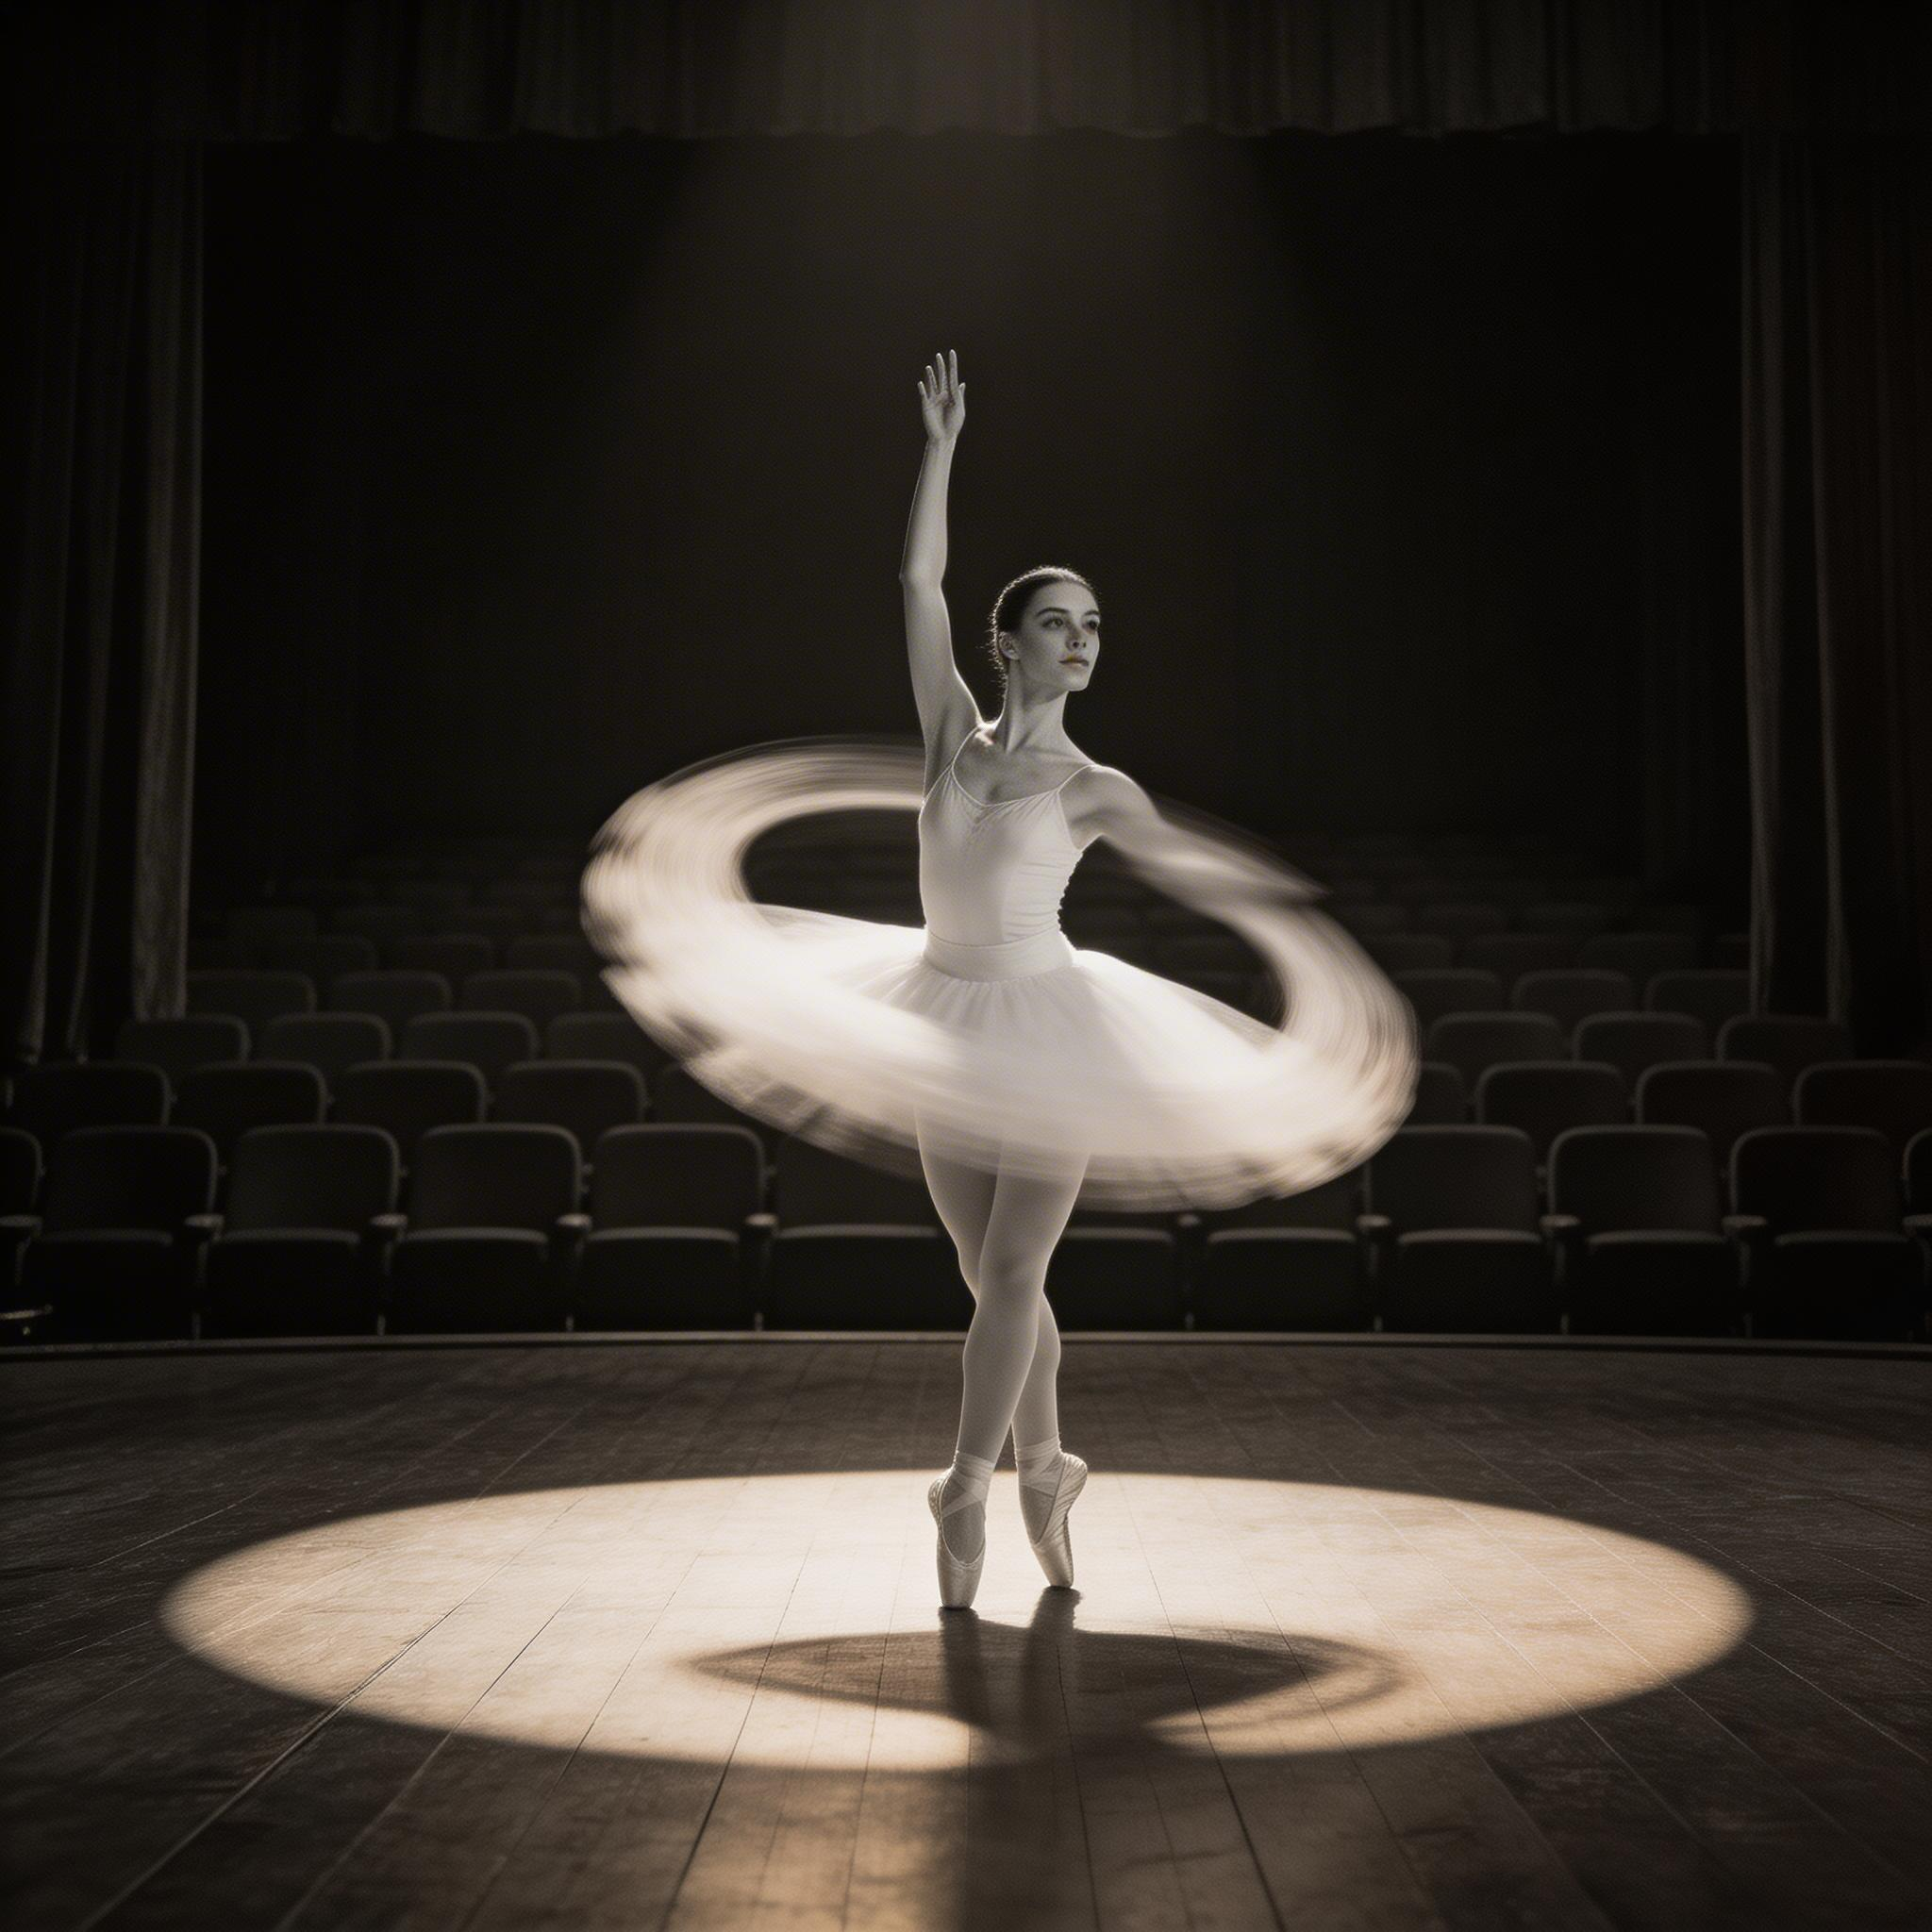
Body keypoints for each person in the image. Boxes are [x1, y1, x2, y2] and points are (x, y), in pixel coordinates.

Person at [584, 350, 1417, 1612]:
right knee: (992, 1287)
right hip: (940, 1017)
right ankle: (1051, 1467)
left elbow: (1182, 866)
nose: (1081, 643)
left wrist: (1279, 910)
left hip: (1051, 1028)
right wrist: (940, 449)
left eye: (1093, 628)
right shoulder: (948, 738)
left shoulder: (1096, 786)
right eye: (1059, 624)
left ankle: (964, 1481)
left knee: (1016, 1277)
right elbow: (918, 581)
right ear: (1011, 644)